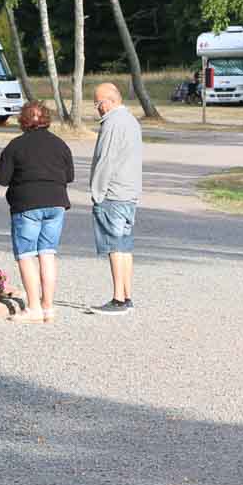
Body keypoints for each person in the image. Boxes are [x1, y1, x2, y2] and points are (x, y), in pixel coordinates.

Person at [0, 100, 73, 323]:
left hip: (27, 204)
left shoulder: (16, 146)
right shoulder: (60, 144)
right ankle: (48, 307)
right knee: (48, 253)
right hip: (56, 203)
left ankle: (33, 308)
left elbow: (2, 178)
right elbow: (69, 176)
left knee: (26, 255)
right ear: (46, 120)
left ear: (23, 121)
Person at [87, 82, 142, 313]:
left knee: (115, 246)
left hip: (113, 193)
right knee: (125, 246)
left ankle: (118, 298)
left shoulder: (112, 123)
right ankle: (127, 296)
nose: (98, 108)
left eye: (98, 103)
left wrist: (97, 192)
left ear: (109, 102)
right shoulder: (130, 120)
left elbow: (106, 160)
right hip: (129, 193)